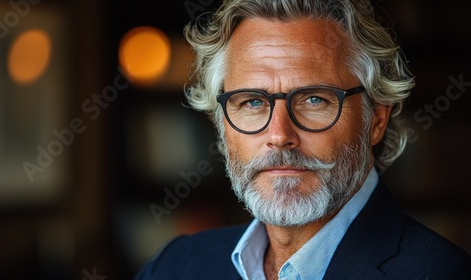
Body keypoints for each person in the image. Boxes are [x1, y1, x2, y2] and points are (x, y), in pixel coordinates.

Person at [136, 0, 471, 279]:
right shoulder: (174, 268)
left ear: (376, 120)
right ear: (221, 122)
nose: (280, 135)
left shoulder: (444, 273)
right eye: (252, 102)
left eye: (314, 100)